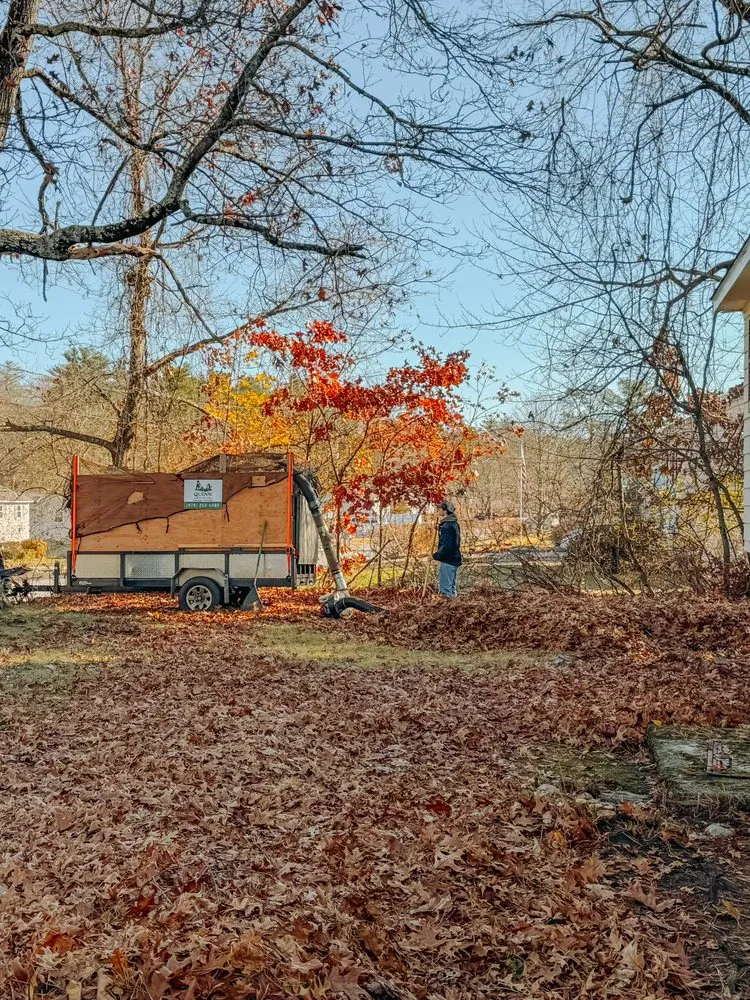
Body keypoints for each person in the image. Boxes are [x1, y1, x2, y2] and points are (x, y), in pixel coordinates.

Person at [432, 500, 462, 598]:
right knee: (451, 587)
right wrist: (439, 528)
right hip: (454, 558)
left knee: (445, 590)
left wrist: (435, 556)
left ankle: (447, 609)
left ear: (445, 510)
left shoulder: (446, 526)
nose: (438, 510)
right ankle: (453, 606)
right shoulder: (453, 523)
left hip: (448, 559)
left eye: (439, 508)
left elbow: (446, 546)